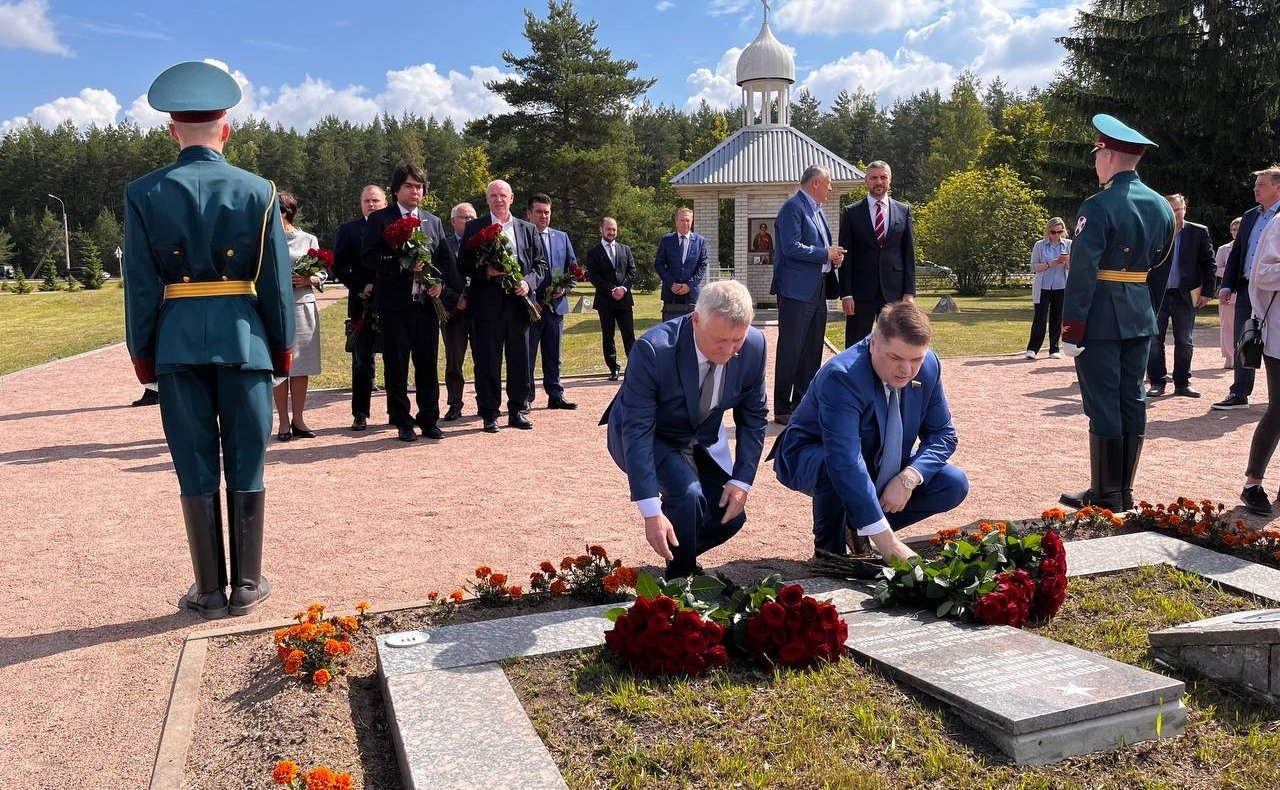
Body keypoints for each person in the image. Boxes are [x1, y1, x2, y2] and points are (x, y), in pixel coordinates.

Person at [123, 61, 294, 618]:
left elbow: (141, 286)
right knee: (247, 461)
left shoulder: (142, 193)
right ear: (227, 129)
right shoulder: (259, 191)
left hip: (177, 344)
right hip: (244, 341)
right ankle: (246, 585)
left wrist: (142, 353)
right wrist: (282, 347)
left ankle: (209, 591)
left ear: (172, 130)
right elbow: (276, 284)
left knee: (193, 464)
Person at [773, 302, 968, 562]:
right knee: (834, 464)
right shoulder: (843, 376)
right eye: (895, 358)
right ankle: (829, 553)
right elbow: (845, 459)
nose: (907, 370)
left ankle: (857, 526)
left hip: (876, 458)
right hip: (813, 457)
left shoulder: (929, 365)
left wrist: (909, 477)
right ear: (873, 343)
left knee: (953, 483)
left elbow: (943, 434)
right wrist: (889, 544)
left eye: (915, 359)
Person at [602, 280, 768, 578]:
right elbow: (638, 430)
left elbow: (754, 416)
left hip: (700, 436)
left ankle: (682, 554)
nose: (729, 350)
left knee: (729, 516)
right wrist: (651, 512)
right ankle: (680, 579)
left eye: (737, 340)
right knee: (687, 495)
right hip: (653, 433)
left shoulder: (754, 347)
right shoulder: (653, 350)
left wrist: (742, 481)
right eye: (720, 340)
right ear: (696, 320)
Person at [1059, 114, 1175, 512]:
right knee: (1133, 397)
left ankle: (1106, 493)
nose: (1095, 162)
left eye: (1097, 154)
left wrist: (1072, 329)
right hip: (1139, 314)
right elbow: (1160, 270)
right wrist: (1148, 314)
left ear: (1108, 155)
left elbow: (1083, 272)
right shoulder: (1162, 206)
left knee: (1103, 401)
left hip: (1101, 318)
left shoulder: (1098, 205)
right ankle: (1122, 490)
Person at [361, 163, 459, 442]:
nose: (415, 191)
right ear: (396, 190)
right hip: (394, 307)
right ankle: (402, 420)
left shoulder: (433, 221)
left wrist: (440, 283)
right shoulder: (380, 219)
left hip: (426, 307)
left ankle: (429, 419)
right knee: (397, 366)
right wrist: (401, 264)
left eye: (419, 186)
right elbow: (368, 256)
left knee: (427, 365)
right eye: (409, 186)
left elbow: (444, 260)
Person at [457, 179, 547, 433]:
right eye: (493, 195)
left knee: (520, 360)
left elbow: (541, 265)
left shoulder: (528, 229)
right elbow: (462, 264)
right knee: (488, 361)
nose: (498, 199)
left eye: (503, 195)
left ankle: (517, 409)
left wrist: (528, 283)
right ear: (487, 199)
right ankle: (489, 413)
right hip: (487, 306)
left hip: (519, 305)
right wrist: (486, 271)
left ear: (512, 198)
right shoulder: (475, 227)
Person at [771, 165, 845, 425]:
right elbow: (791, 247)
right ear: (815, 183)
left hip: (817, 288)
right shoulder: (793, 208)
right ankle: (782, 407)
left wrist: (832, 258)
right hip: (795, 291)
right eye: (828, 183)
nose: (831, 188)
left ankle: (801, 403)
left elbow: (817, 248)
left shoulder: (818, 211)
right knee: (791, 348)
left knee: (812, 349)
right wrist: (825, 254)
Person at [1213, 167, 1280, 411]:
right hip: (1246, 287)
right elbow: (1238, 252)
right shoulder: (1250, 216)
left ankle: (1275, 399)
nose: (1255, 189)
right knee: (1244, 338)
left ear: (1277, 187)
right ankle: (1239, 393)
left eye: (1261, 185)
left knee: (1276, 342)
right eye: (1255, 184)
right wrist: (1227, 285)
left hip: (1275, 291)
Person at [838, 160, 917, 347]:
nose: (878, 182)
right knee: (856, 344)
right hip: (860, 293)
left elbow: (908, 254)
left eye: (883, 177)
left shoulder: (903, 211)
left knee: (895, 343)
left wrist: (909, 292)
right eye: (873, 178)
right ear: (866, 180)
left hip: (894, 292)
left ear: (890, 180)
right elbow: (845, 257)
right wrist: (846, 294)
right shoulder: (851, 212)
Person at [1234, 193, 1280, 514]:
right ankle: (1252, 485)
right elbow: (1260, 274)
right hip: (1278, 335)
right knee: (1278, 410)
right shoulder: (1277, 225)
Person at [1145, 193, 1215, 398]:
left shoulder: (1198, 232)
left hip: (1185, 294)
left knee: (1184, 340)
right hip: (1157, 294)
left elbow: (1209, 264)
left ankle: (1183, 383)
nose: (1175, 214)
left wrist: (1207, 292)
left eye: (1178, 209)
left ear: (1185, 209)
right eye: (1171, 209)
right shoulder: (1153, 231)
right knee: (1154, 340)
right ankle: (1157, 382)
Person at [332, 185, 388, 431]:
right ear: (361, 204)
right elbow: (339, 266)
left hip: (392, 303)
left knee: (395, 360)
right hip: (361, 304)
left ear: (385, 203)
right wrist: (360, 285)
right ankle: (360, 413)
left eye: (376, 200)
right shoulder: (349, 229)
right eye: (367, 201)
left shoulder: (395, 226)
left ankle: (396, 412)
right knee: (362, 361)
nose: (371, 204)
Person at [272, 191, 323, 442]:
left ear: (285, 212)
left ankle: (299, 419)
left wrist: (309, 279)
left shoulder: (308, 239)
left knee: (301, 367)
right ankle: (283, 422)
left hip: (302, 306)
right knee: (280, 367)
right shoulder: (266, 239)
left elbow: (322, 273)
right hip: (276, 308)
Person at [525, 193, 577, 411]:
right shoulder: (523, 237)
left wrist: (565, 289)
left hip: (556, 308)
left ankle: (555, 395)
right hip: (531, 308)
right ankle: (526, 397)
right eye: (538, 212)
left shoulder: (561, 237)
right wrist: (530, 299)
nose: (543, 216)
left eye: (547, 212)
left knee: (554, 354)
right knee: (527, 355)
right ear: (529, 214)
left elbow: (572, 269)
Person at [585, 216, 636, 381]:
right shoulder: (593, 253)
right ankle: (613, 368)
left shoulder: (625, 249)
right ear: (601, 230)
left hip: (624, 300)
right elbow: (594, 277)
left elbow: (632, 272)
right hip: (605, 301)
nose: (611, 232)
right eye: (608, 229)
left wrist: (623, 289)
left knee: (629, 335)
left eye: (614, 229)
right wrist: (611, 289)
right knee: (608, 336)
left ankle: (634, 367)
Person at [442, 202, 476, 422]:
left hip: (480, 311)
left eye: (473, 218)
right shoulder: (443, 245)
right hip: (454, 312)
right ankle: (455, 403)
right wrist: (456, 298)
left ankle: (486, 402)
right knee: (454, 361)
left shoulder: (484, 243)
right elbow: (436, 278)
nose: (470, 221)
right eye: (465, 218)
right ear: (454, 221)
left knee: (485, 358)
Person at [1025, 217, 1071, 360]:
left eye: (1059, 232)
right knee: (1040, 318)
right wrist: (1051, 263)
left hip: (1061, 286)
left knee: (1057, 318)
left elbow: (1073, 268)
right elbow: (1034, 266)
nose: (1056, 235)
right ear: (1048, 231)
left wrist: (1067, 262)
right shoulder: (1040, 245)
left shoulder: (1068, 244)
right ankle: (1033, 348)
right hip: (1043, 286)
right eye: (1053, 232)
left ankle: (1054, 349)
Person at [653, 207, 708, 321]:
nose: (685, 223)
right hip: (671, 293)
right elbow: (659, 264)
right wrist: (671, 283)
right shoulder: (666, 240)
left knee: (691, 329)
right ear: (676, 221)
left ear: (692, 221)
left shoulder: (700, 241)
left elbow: (702, 265)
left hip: (691, 295)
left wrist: (690, 285)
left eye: (688, 220)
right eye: (682, 220)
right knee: (670, 329)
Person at [1215, 217, 1242, 369]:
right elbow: (1216, 268)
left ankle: (1242, 355)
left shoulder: (1253, 247)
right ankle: (1229, 356)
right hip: (1228, 292)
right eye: (1233, 229)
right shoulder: (1223, 249)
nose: (1235, 232)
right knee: (1227, 326)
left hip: (1245, 291)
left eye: (1238, 229)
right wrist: (1233, 272)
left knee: (1245, 325)